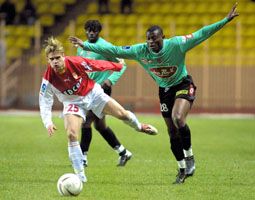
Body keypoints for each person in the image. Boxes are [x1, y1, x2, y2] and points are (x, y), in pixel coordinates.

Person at [69, 3, 239, 184]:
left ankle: (190, 157)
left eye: (155, 40)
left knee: (178, 118)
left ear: (163, 38)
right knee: (172, 132)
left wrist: (225, 20)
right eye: (149, 39)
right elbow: (116, 51)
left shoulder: (177, 44)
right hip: (164, 91)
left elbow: (202, 33)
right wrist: (85, 44)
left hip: (182, 83)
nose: (151, 43)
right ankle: (182, 169)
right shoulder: (140, 50)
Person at [39, 37, 158, 183]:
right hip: (73, 103)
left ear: (63, 55)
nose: (55, 61)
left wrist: (117, 66)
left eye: (58, 57)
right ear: (48, 60)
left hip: (92, 94)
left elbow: (95, 64)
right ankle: (80, 177)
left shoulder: (75, 62)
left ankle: (139, 126)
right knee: (71, 135)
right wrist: (48, 122)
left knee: (122, 115)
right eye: (52, 59)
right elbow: (44, 101)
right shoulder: (48, 78)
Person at [76, 20, 132, 167]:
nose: (91, 33)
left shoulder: (105, 46)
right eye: (88, 30)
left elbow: (122, 64)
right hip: (88, 90)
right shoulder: (81, 49)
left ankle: (82, 158)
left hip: (101, 90)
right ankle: (123, 152)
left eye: (94, 31)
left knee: (86, 122)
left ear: (99, 32)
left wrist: (110, 80)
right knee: (100, 126)